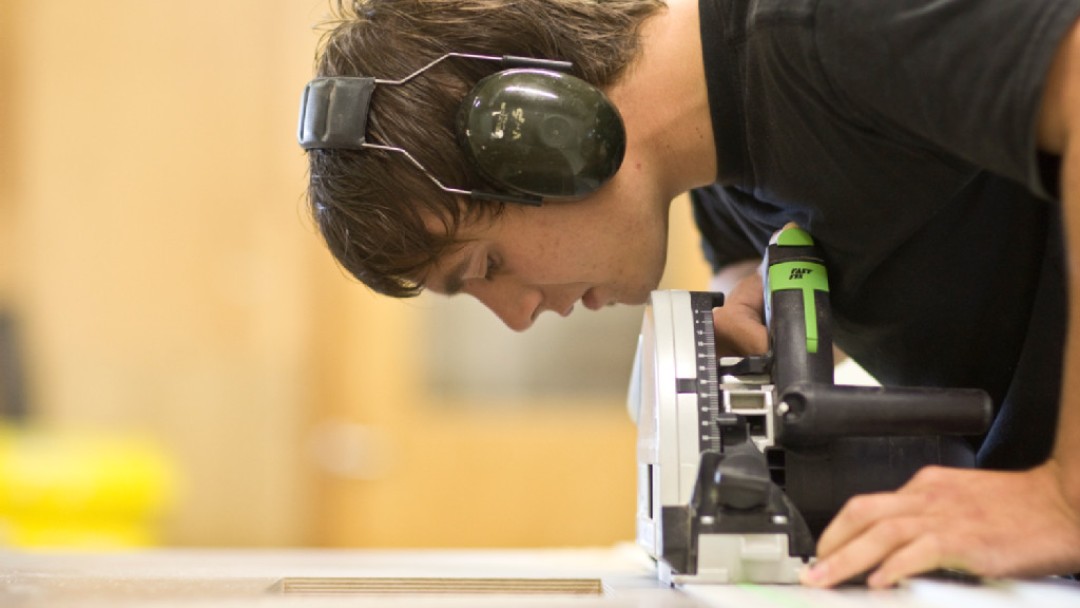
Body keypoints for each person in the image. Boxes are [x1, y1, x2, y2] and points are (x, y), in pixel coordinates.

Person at [300, 0, 1080, 588]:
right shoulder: (725, 183)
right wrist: (755, 310)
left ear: (545, 132)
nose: (516, 314)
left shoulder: (828, 27)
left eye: (486, 266)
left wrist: (1066, 496)